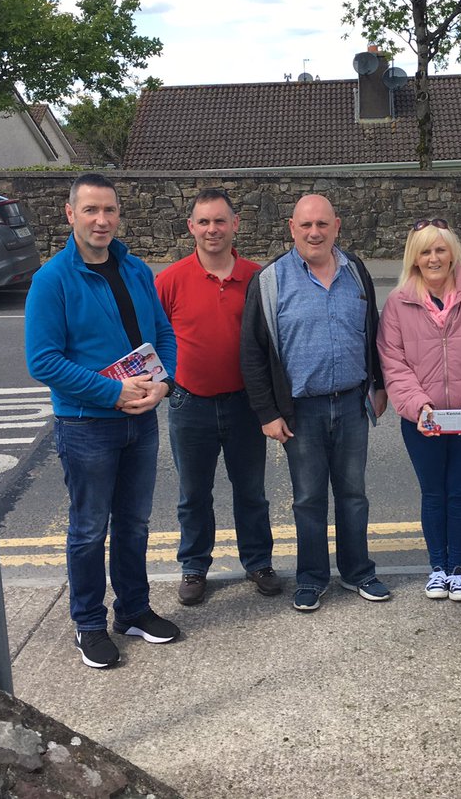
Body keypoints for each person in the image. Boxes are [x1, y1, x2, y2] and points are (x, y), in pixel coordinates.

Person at [25, 173, 180, 669]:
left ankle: (132, 611)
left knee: (134, 524)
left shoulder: (134, 269)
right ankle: (88, 623)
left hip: (142, 418)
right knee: (89, 529)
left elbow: (163, 333)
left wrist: (164, 383)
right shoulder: (52, 279)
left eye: (109, 210)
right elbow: (43, 361)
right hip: (87, 424)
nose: (101, 220)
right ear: (70, 214)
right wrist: (113, 393)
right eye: (91, 210)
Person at [240, 193, 390, 613]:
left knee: (353, 494)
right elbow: (252, 352)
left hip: (351, 404)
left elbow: (371, 332)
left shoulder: (355, 271)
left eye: (322, 224)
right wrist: (267, 413)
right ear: (292, 228)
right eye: (306, 225)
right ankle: (311, 578)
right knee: (308, 499)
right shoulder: (270, 281)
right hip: (300, 410)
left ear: (336, 226)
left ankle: (359, 572)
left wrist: (378, 385)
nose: (314, 232)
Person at [155, 187, 281, 607]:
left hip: (246, 404)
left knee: (251, 491)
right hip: (190, 404)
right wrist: (165, 383)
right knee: (194, 494)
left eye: (220, 221)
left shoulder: (258, 278)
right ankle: (194, 566)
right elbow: (152, 340)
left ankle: (258, 562)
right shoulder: (169, 280)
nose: (213, 229)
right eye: (204, 222)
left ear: (235, 225)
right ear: (191, 227)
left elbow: (273, 342)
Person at [377, 219, 461, 602]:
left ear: (453, 253)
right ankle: (437, 569)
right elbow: (394, 363)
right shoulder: (398, 302)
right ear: (414, 258)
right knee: (433, 493)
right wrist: (420, 407)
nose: (434, 258)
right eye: (425, 250)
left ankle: (457, 570)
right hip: (422, 421)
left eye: (440, 249)